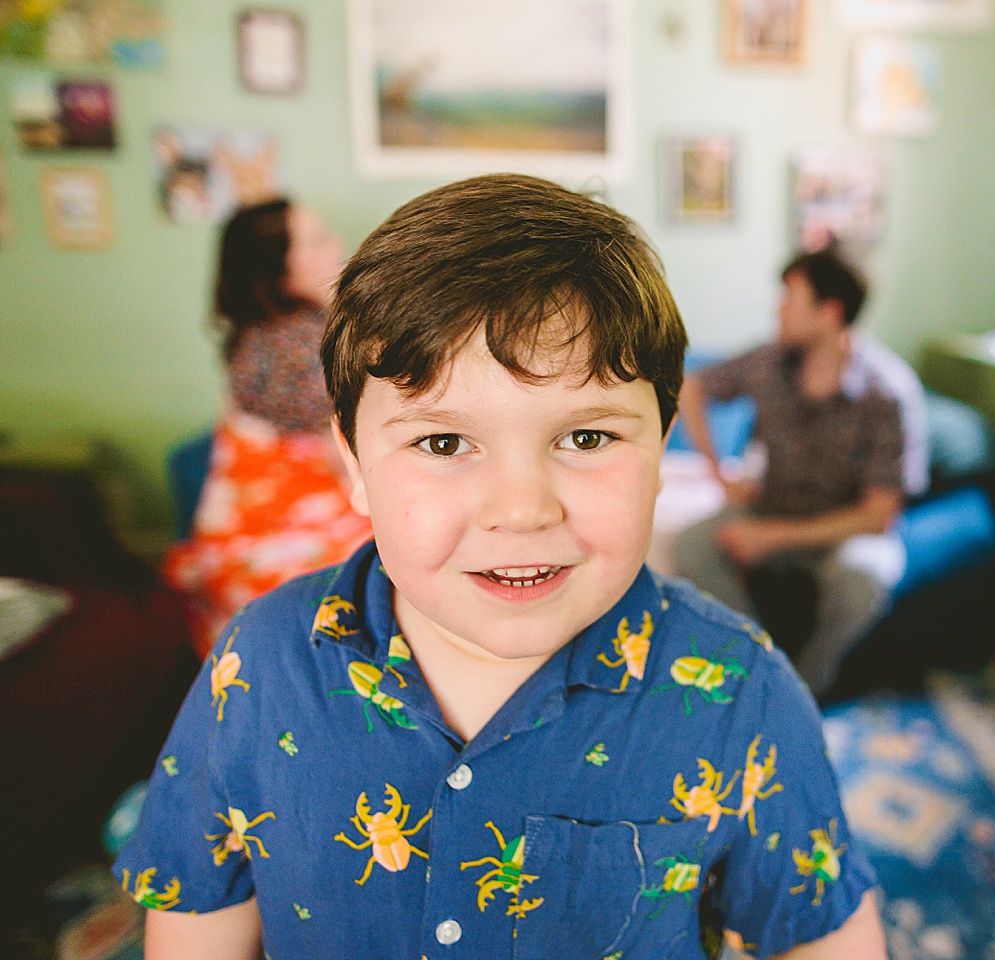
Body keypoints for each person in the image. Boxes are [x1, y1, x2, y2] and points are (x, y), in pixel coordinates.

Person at [116, 175, 886, 960]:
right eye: (444, 443)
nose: (521, 510)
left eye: (586, 438)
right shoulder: (258, 667)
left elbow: (824, 936)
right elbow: (195, 924)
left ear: (660, 453)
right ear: (354, 465)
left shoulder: (742, 694)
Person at [671, 249, 926, 698]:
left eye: (790, 298)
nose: (778, 308)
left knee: (862, 579)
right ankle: (762, 669)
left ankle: (803, 690)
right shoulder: (770, 361)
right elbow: (692, 386)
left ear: (829, 312)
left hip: (843, 530)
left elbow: (878, 516)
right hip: (769, 506)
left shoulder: (888, 392)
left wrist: (772, 536)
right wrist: (718, 472)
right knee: (688, 547)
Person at [162, 199, 372, 655]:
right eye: (318, 240)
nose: (340, 246)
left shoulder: (269, 331)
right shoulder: (293, 347)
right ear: (280, 274)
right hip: (274, 523)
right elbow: (347, 458)